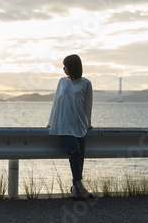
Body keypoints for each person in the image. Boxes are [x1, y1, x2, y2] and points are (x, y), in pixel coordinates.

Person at [47, 54, 94, 200]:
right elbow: (56, 103)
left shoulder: (86, 83)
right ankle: (80, 186)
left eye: (65, 66)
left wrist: (88, 123)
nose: (63, 69)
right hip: (64, 123)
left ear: (72, 67)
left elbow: (88, 105)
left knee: (80, 156)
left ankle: (74, 188)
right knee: (74, 153)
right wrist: (51, 121)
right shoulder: (62, 82)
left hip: (80, 124)